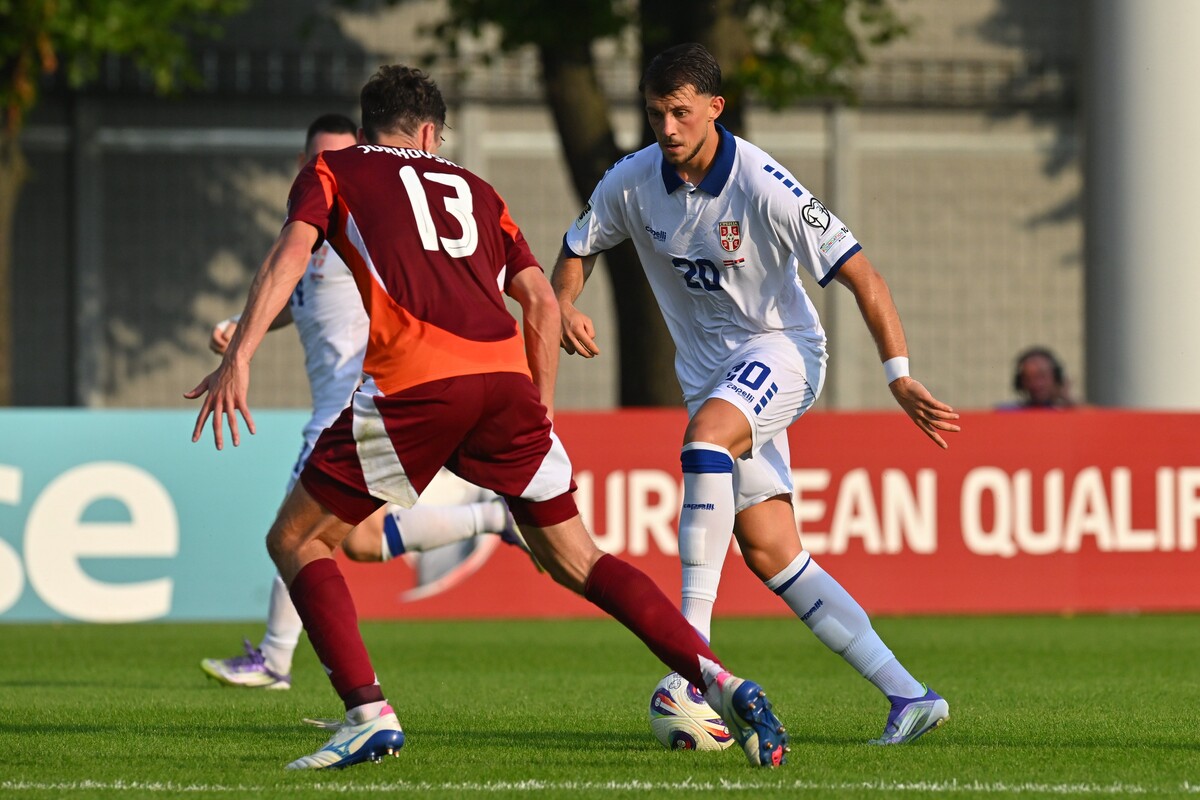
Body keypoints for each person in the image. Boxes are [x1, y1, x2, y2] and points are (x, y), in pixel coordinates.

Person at [187, 65, 790, 770]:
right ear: (431, 132)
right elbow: (541, 304)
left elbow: (293, 252)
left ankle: (367, 713)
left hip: (416, 379)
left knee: (297, 540)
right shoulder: (477, 189)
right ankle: (723, 681)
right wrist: (541, 414)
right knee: (580, 561)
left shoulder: (334, 170)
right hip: (506, 383)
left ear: (371, 122)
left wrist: (242, 355)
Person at [551, 43, 960, 747]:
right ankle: (909, 695)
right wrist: (563, 305)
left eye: (681, 112)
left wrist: (898, 373)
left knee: (706, 438)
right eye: (656, 113)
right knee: (772, 552)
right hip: (711, 375)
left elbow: (865, 277)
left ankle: (692, 661)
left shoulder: (766, 185)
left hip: (784, 355)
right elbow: (578, 247)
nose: (668, 128)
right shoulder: (631, 181)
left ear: (715, 108)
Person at [199, 114, 535, 693]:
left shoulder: (363, 228)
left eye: (336, 155)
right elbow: (297, 295)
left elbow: (314, 273)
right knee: (358, 541)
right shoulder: (318, 235)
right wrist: (242, 327)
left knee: (294, 533)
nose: (324, 168)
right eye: (315, 158)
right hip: (354, 403)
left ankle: (277, 658)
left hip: (360, 400)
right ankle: (493, 517)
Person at [1002, 345, 1075, 409]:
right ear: (1020, 382)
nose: (1037, 384)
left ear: (1056, 377)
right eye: (1029, 378)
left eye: (1042, 376)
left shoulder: (1072, 412)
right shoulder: (1006, 414)